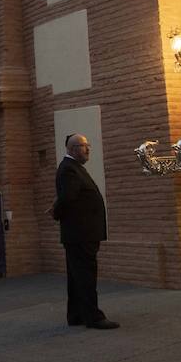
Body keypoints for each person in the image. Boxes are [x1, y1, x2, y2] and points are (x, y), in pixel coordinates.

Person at [52, 134, 117, 330]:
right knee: (86, 275)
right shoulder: (69, 170)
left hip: (80, 232)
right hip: (81, 233)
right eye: (83, 146)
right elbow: (68, 198)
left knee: (76, 275)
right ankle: (94, 317)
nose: (88, 149)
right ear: (72, 149)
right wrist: (56, 211)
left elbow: (68, 197)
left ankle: (76, 314)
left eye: (88, 145)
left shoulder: (73, 168)